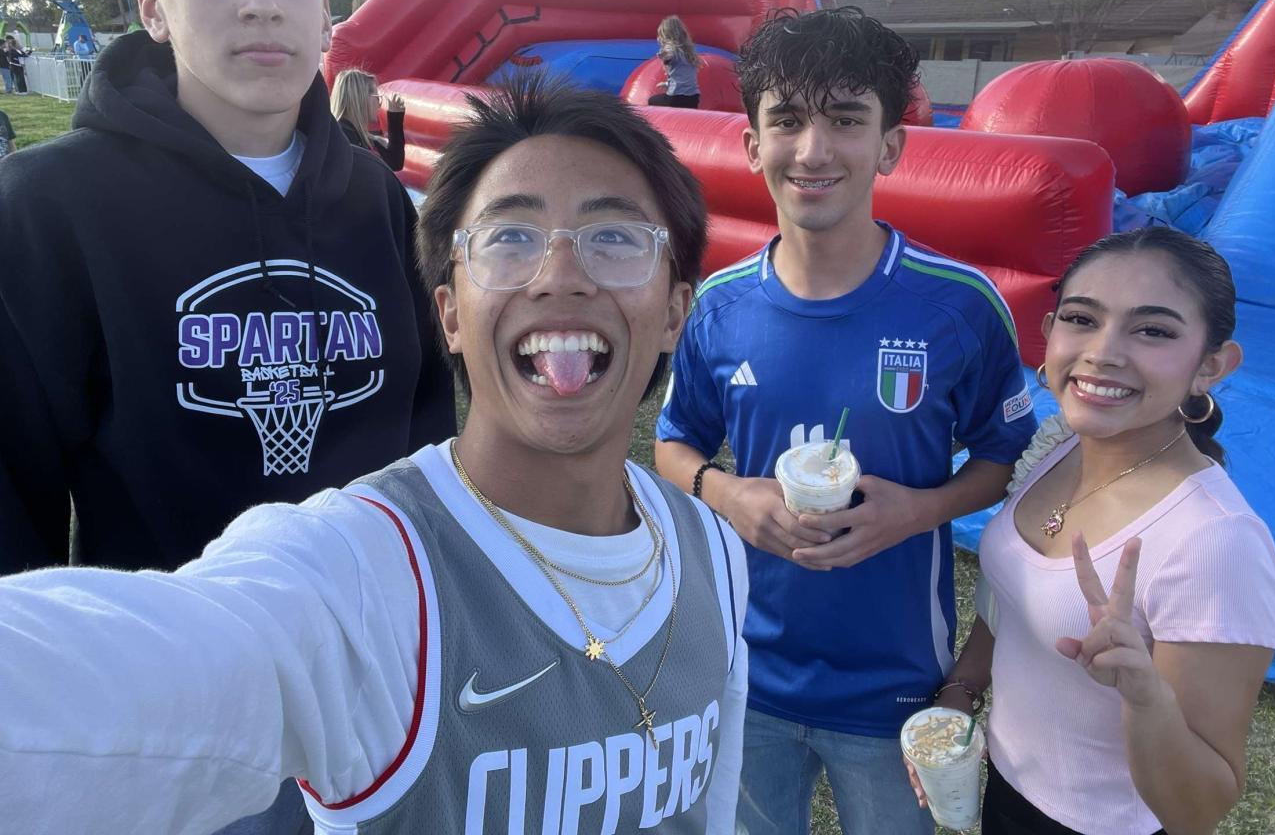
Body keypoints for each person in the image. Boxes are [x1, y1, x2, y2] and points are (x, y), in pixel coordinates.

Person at [0, 71, 750, 835]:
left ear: (674, 312)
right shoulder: (363, 577)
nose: (560, 275)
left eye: (615, 238)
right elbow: (115, 673)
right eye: (510, 238)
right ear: (449, 315)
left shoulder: (715, 556)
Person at [0, 0, 456, 828]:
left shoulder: (376, 202)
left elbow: (424, 436)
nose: (259, 2)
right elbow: (14, 491)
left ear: (324, 10)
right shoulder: (47, 208)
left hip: (372, 690)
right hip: (165, 715)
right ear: (152, 4)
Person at [654, 6, 1038, 834]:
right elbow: (673, 444)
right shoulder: (721, 305)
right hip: (748, 673)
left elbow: (1007, 457)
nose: (814, 150)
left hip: (894, 685)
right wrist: (728, 495)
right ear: (751, 143)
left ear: (890, 145)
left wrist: (921, 509)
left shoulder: (958, 305)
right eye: (788, 120)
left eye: (846, 119)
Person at [906, 227, 1275, 835]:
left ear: (1212, 365)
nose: (1104, 352)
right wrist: (963, 689)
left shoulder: (1216, 541)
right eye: (1082, 319)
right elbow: (1010, 599)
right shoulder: (1059, 446)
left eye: (1152, 330)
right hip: (1008, 789)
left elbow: (1196, 812)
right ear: (1049, 331)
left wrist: (1145, 697)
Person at [331, 67, 406, 170]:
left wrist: (395, 118)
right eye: (376, 97)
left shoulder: (359, 135)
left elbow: (395, 163)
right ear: (361, 98)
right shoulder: (344, 138)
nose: (379, 104)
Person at [648, 15, 701, 109]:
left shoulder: (671, 47)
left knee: (652, 101)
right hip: (693, 98)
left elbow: (670, 52)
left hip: (676, 98)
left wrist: (665, 55)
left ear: (666, 36)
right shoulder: (688, 52)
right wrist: (667, 84)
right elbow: (684, 77)